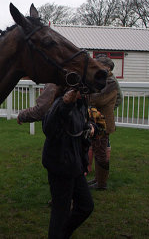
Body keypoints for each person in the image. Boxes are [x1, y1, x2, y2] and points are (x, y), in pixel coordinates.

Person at [42, 89, 95, 238]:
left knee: (86, 206)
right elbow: (48, 128)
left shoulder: (80, 103)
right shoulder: (59, 103)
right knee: (60, 213)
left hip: (74, 164)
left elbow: (81, 123)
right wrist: (65, 104)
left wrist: (91, 127)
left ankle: (63, 234)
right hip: (60, 165)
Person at [87, 54, 123, 190]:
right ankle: (98, 179)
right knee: (97, 150)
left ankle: (101, 184)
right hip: (97, 121)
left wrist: (86, 95)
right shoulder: (102, 80)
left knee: (101, 153)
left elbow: (98, 99)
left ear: (107, 67)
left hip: (103, 123)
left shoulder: (111, 82)